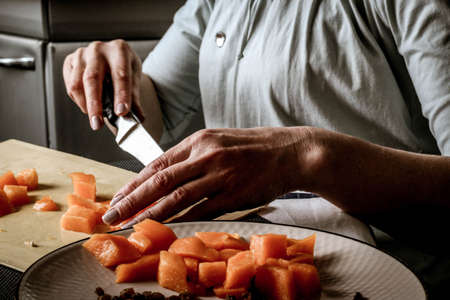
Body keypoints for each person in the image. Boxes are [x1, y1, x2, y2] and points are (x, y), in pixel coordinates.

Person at [63, 0, 449, 290]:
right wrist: (116, 80)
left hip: (389, 279)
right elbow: (155, 108)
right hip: (243, 272)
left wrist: (306, 156)